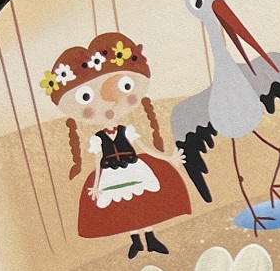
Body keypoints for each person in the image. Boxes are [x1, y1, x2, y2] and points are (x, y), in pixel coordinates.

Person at [39, 31, 193, 258]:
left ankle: (150, 238)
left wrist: (168, 158)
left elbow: (144, 148)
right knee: (124, 209)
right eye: (86, 97)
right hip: (111, 174)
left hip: (133, 166)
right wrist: (96, 185)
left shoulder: (127, 131)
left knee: (144, 202)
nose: (108, 102)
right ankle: (136, 242)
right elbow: (97, 161)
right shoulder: (97, 139)